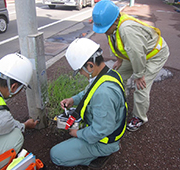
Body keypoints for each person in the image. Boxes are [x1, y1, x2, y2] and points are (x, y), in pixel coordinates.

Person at [50, 38, 128, 169]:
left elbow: (102, 129)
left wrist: (77, 133)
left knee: (56, 155)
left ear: (90, 66)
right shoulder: (108, 74)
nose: (81, 74)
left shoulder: (104, 93)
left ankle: (96, 156)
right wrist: (73, 100)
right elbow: (88, 93)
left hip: (104, 141)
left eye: (80, 70)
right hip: (107, 127)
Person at [92, 0, 170, 131]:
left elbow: (137, 54)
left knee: (141, 87)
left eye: (106, 28)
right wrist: (119, 60)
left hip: (154, 54)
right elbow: (116, 43)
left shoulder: (127, 30)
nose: (104, 32)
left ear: (116, 19)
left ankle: (139, 118)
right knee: (117, 76)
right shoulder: (112, 26)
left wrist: (139, 75)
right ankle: (119, 100)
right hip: (137, 53)